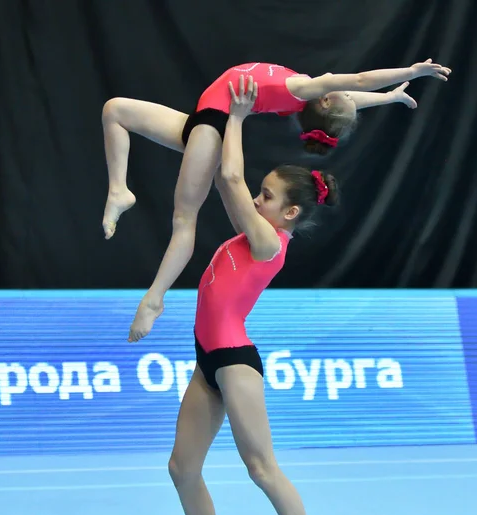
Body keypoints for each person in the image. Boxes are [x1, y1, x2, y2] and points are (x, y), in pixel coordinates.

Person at [134, 75, 336, 515]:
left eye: (265, 196)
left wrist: (237, 120)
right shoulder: (252, 234)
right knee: (182, 468)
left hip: (234, 360)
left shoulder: (269, 244)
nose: (256, 199)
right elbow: (230, 184)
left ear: (289, 213)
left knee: (262, 468)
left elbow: (228, 179)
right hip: (207, 362)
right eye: (259, 193)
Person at [106, 59, 451, 339]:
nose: (343, 89)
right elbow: (356, 95)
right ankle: (119, 190)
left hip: (216, 127)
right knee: (115, 110)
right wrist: (389, 97)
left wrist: (411, 71)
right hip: (204, 117)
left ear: (327, 98)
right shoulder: (304, 91)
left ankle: (154, 299)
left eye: (340, 93)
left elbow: (360, 81)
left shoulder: (300, 88)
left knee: (184, 219)